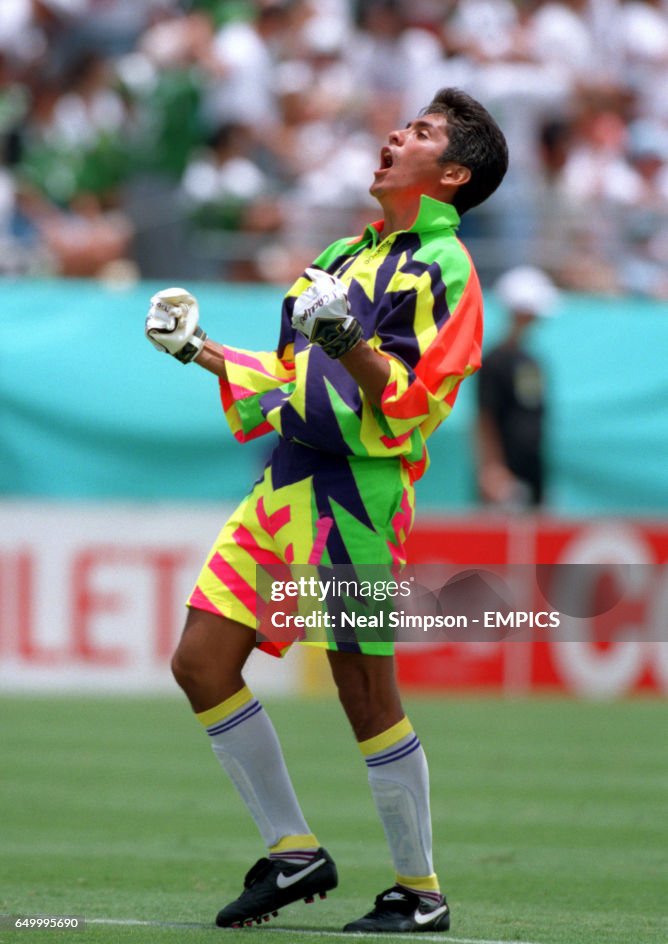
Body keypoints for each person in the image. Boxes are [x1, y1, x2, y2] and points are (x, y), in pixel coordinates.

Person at [144, 87, 508, 933]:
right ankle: (294, 853)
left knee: (362, 687)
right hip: (285, 486)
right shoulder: (342, 254)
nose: (394, 134)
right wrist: (195, 349)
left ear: (452, 174)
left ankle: (421, 894)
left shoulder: (448, 269)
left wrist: (349, 343)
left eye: (419, 133)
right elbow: (287, 379)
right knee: (200, 661)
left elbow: (417, 400)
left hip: (357, 496)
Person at [476, 265, 558, 508]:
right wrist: (492, 468)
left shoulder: (532, 361)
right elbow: (485, 417)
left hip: (533, 471)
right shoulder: (494, 360)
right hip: (505, 476)